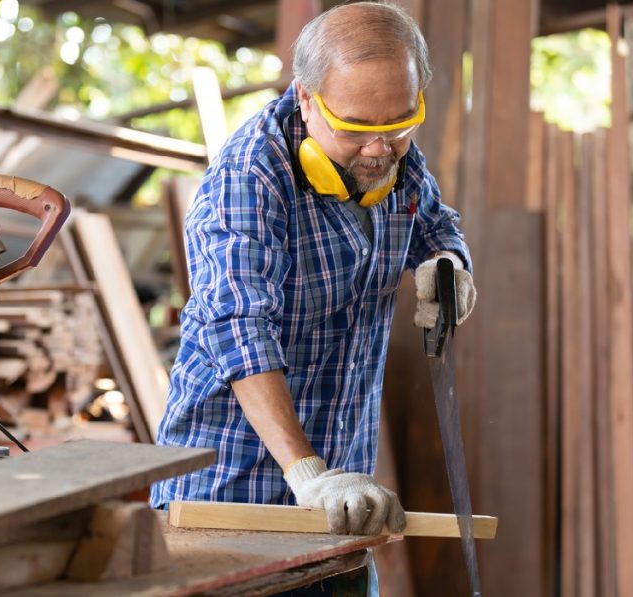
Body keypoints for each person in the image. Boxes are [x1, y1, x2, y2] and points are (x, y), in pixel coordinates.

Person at [151, 1, 476, 542]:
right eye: (356, 128)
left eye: (398, 124)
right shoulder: (250, 178)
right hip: (231, 491)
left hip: (345, 488)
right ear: (305, 98)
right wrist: (308, 474)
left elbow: (435, 220)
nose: (379, 148)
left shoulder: (396, 158)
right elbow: (238, 328)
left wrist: (448, 260)